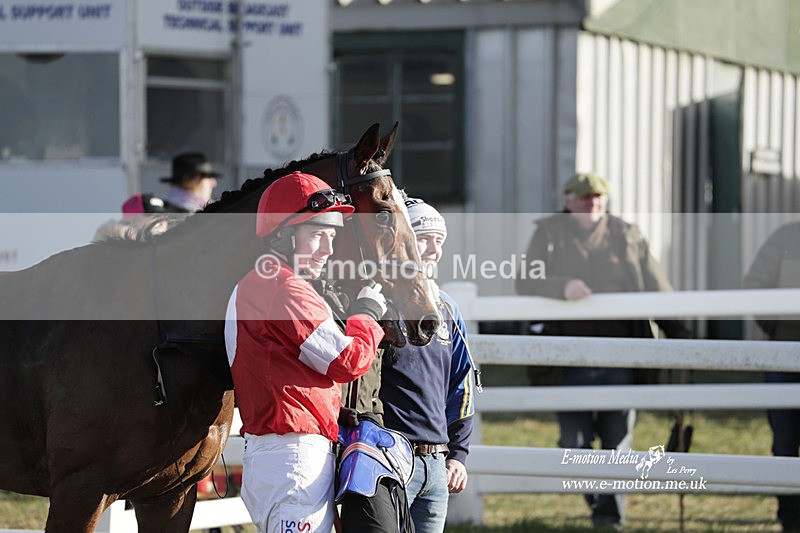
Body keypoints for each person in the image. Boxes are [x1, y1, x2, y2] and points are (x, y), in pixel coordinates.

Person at [515, 172, 690, 530]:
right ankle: (599, 500)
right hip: (567, 357)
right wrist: (561, 286)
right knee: (573, 442)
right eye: (583, 198)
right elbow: (525, 280)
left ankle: (609, 516)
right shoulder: (548, 233)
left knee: (617, 442)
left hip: (620, 356)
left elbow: (655, 288)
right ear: (567, 202)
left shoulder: (627, 235)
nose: (591, 203)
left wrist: (681, 336)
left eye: (598, 198)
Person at [224, 171, 389, 533]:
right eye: (316, 235)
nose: (328, 250)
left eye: (331, 236)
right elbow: (348, 360)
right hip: (294, 458)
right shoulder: (284, 288)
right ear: (282, 236)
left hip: (281, 454)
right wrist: (366, 314)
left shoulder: (258, 282)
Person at [373, 197, 477, 533]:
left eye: (440, 241)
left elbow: (462, 385)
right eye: (423, 238)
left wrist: (457, 455)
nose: (433, 249)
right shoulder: (378, 302)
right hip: (388, 458)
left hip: (436, 464)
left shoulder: (448, 309)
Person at [743, 220, 800, 533]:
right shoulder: (786, 237)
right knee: (786, 441)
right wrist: (778, 328)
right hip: (785, 358)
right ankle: (791, 518)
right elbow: (755, 285)